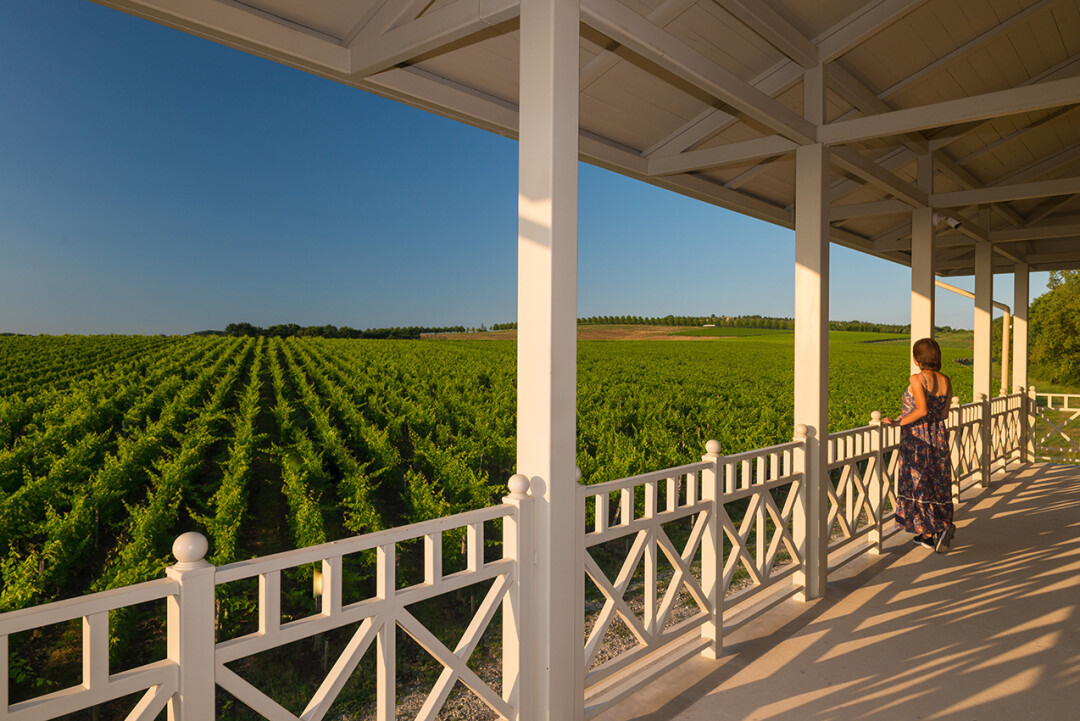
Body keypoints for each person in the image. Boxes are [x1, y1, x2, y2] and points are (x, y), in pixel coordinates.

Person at [882, 338, 955, 553]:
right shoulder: (946, 381)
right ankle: (936, 527)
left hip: (918, 438)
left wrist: (897, 422)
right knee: (936, 480)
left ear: (917, 358)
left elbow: (921, 410)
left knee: (919, 480)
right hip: (938, 436)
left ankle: (929, 531)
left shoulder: (917, 379)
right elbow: (943, 413)